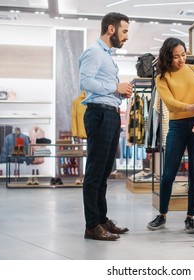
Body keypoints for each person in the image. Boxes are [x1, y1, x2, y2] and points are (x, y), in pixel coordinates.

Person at [147, 37, 194, 233]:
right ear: (167, 57)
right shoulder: (162, 78)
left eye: (183, 55)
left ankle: (190, 217)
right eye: (176, 57)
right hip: (177, 126)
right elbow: (169, 104)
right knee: (169, 173)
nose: (181, 60)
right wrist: (188, 106)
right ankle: (162, 215)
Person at [79, 12, 133, 241]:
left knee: (103, 173)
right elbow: (85, 82)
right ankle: (92, 225)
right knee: (94, 173)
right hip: (99, 114)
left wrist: (120, 92)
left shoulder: (106, 55)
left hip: (109, 113)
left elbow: (104, 86)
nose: (126, 37)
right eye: (125, 31)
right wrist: (115, 87)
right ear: (111, 29)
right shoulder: (93, 52)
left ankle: (101, 219)